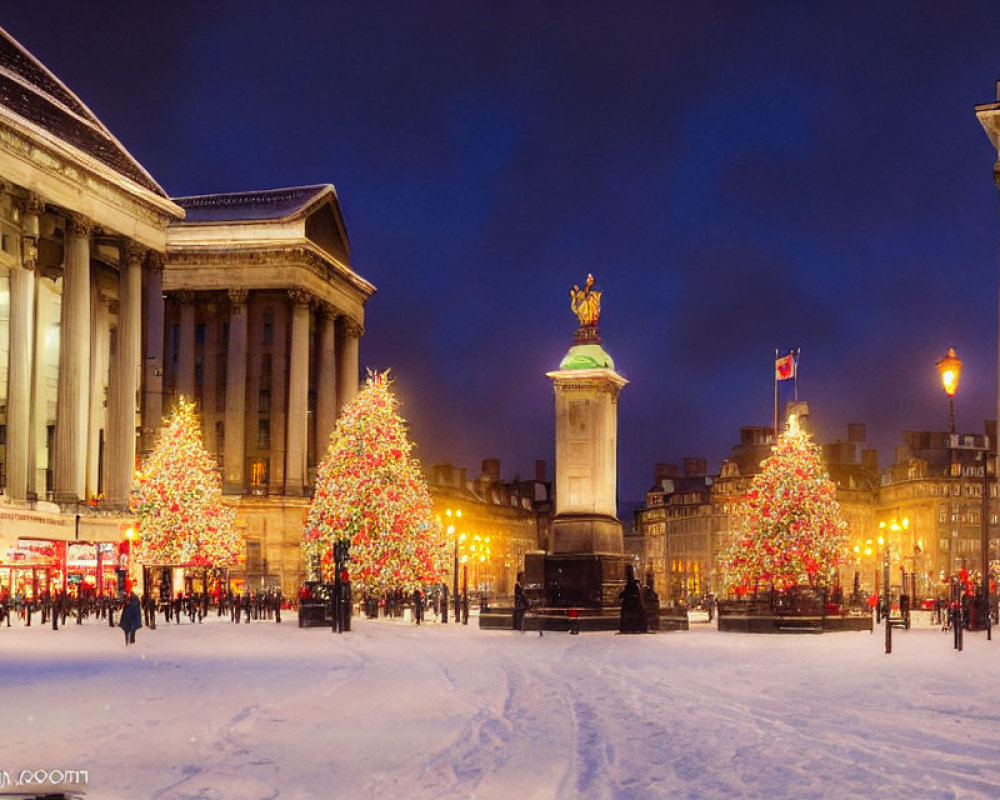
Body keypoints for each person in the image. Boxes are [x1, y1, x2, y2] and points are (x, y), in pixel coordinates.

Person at [619, 565, 647, 634]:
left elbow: (630, 590)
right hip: (632, 601)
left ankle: (631, 627)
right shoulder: (634, 583)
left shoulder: (634, 583)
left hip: (632, 602)